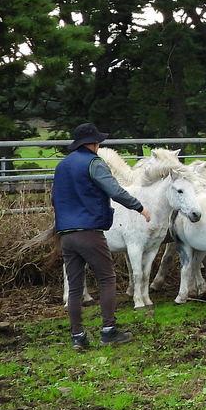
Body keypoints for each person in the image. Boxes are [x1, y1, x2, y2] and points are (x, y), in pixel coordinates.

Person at [51, 123, 149, 351]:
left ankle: (77, 336)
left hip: (66, 234)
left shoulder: (61, 166)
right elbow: (114, 190)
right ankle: (108, 331)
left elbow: (55, 198)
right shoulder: (94, 163)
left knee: (75, 287)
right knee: (107, 279)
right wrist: (139, 207)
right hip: (89, 232)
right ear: (93, 144)